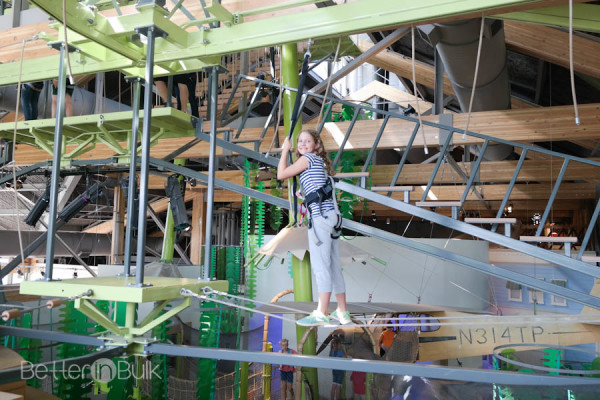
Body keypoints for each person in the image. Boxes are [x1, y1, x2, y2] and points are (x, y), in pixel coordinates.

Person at [277, 129, 350, 326]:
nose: (302, 144)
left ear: (316, 145)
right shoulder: (319, 163)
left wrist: (285, 151)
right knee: (334, 266)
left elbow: (281, 174)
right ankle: (342, 311)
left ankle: (322, 312)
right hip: (332, 217)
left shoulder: (307, 159)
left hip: (320, 219)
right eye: (300, 141)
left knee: (321, 267)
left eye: (307, 141)